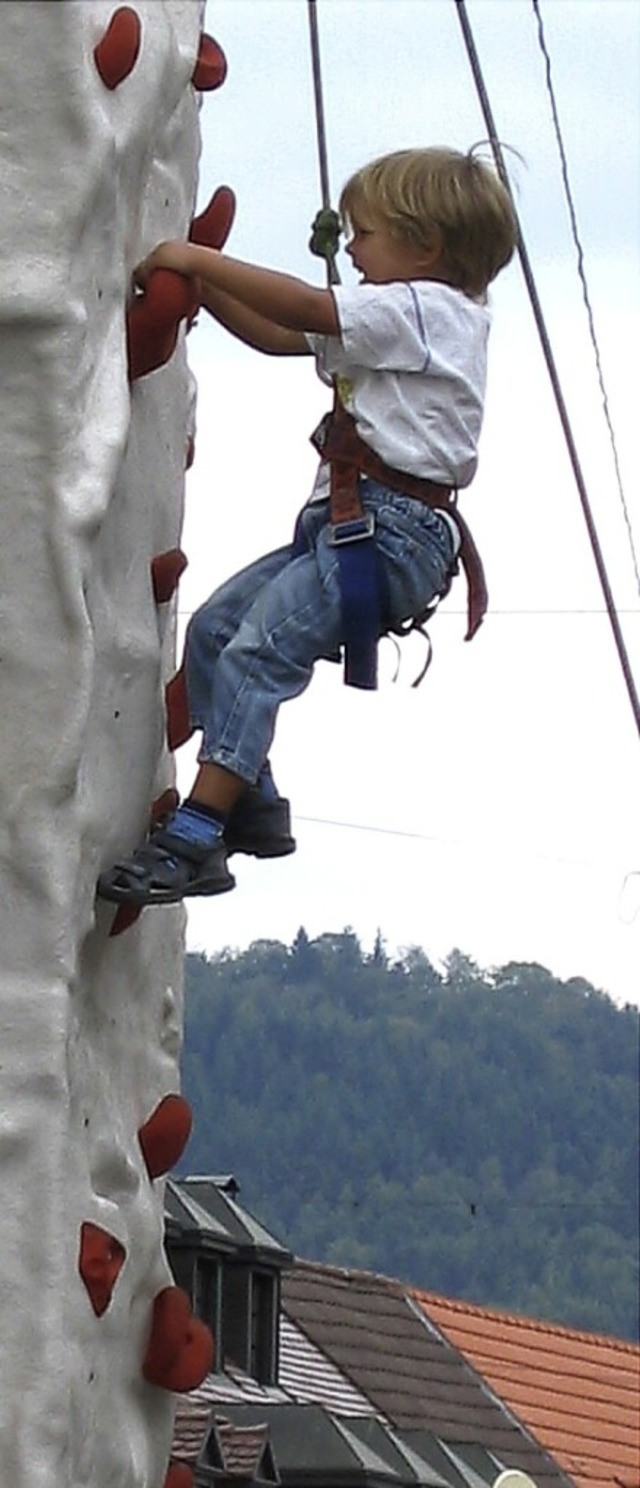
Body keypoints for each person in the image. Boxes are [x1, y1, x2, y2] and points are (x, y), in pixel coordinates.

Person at [97, 146, 518, 908]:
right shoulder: (402, 321)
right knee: (218, 632)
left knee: (262, 648)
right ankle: (251, 799)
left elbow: (305, 309)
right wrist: (200, 288)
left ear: (424, 249)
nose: (350, 249)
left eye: (364, 234)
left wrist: (199, 260)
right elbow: (279, 336)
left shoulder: (429, 311)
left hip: (391, 532)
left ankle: (199, 833)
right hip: (350, 528)